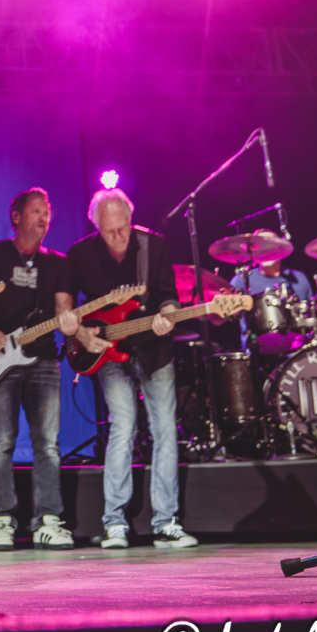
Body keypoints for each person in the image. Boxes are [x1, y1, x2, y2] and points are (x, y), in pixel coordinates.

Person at [0, 188, 99, 550]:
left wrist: (71, 324)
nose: (43, 217)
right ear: (16, 216)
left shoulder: (58, 263)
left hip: (44, 359)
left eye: (46, 212)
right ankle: (1, 520)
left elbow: (63, 309)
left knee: (47, 444)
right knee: (1, 441)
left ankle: (48, 521)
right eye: (35, 211)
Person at [66, 188, 198, 550]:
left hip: (154, 350)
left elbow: (167, 295)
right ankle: (114, 523)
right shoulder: (80, 254)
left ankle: (166, 522)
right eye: (109, 231)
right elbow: (65, 305)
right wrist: (79, 333)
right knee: (122, 428)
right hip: (109, 352)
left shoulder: (154, 246)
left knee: (165, 430)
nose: (118, 236)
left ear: (130, 218)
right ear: (96, 226)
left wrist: (168, 315)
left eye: (122, 228)